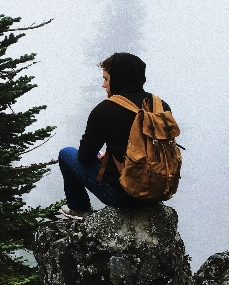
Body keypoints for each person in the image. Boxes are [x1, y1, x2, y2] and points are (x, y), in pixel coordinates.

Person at [59, 52, 171, 219]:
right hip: (157, 192)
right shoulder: (160, 105)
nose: (103, 85)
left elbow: (84, 157)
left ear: (118, 79)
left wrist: (101, 158)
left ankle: (78, 209)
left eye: (106, 79)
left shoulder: (106, 109)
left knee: (66, 153)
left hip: (121, 195)